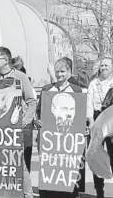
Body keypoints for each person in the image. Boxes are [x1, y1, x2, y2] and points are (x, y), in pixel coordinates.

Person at [0, 46, 37, 198]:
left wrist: (26, 120)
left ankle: (27, 193)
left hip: (15, 128)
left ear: (7, 60)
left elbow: (31, 101)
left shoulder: (21, 77)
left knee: (18, 163)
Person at [36, 57, 82, 198]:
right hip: (48, 139)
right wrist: (37, 122)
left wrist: (83, 129)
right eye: (57, 71)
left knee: (67, 168)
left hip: (68, 140)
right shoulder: (47, 89)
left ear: (70, 72)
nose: (60, 74)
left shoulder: (76, 90)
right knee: (49, 169)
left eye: (63, 71)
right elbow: (39, 111)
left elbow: (80, 114)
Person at [86, 56, 113, 198]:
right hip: (97, 120)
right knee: (97, 158)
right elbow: (89, 105)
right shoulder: (93, 84)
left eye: (106, 66)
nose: (103, 68)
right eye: (102, 65)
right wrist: (91, 122)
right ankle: (99, 192)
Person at [11, 56, 35, 173]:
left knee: (25, 154)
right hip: (11, 123)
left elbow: (32, 103)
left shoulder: (26, 82)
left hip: (24, 123)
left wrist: (29, 119)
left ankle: (26, 181)